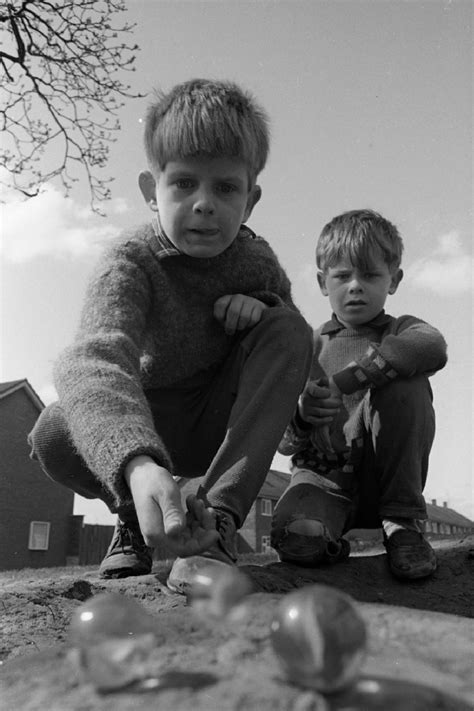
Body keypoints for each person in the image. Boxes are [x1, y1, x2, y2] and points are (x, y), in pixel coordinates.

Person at [29, 78, 313, 591]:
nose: (204, 203)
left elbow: (294, 360)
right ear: (149, 190)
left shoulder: (258, 262)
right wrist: (136, 464)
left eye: (225, 187)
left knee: (287, 324)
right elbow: (96, 360)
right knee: (53, 429)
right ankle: (136, 517)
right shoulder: (129, 262)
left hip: (219, 425)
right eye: (183, 183)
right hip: (151, 421)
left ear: (251, 200)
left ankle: (218, 524)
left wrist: (267, 307)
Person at [271, 209, 447, 580]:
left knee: (405, 382)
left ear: (393, 280)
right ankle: (331, 544)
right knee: (296, 541)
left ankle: (402, 523)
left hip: (387, 485)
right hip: (323, 484)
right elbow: (284, 444)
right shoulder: (307, 345)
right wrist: (303, 414)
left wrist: (349, 380)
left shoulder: (403, 330)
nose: (355, 285)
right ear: (322, 282)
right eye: (342, 276)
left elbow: (432, 347)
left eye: (369, 275)